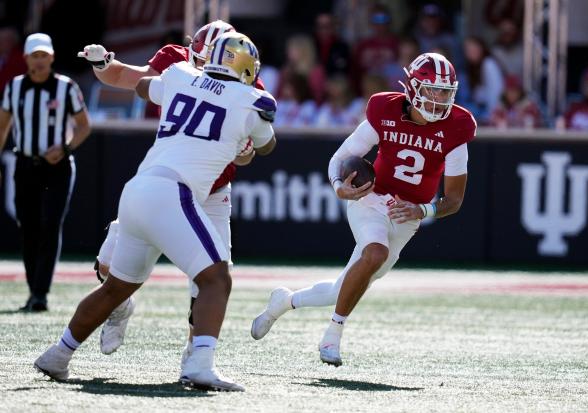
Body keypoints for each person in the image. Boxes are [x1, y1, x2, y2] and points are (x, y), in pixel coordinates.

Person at [34, 32, 277, 391]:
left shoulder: (179, 74)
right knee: (216, 279)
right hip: (174, 193)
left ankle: (58, 354)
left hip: (138, 190)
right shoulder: (252, 99)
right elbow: (268, 145)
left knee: (115, 288)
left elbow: (144, 87)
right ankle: (200, 364)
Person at [251, 52, 476, 367]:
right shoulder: (385, 109)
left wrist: (421, 210)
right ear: (412, 88)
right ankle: (333, 334)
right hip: (371, 197)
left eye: (446, 92)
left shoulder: (457, 127)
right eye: (433, 90)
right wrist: (338, 186)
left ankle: (283, 302)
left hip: (406, 215)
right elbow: (341, 158)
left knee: (341, 288)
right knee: (374, 253)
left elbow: (453, 200)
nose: (440, 99)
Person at [77, 20, 255, 363]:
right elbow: (126, 78)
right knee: (107, 264)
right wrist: (103, 64)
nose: (207, 71)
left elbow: (249, 151)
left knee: (211, 277)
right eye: (200, 62)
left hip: (212, 191)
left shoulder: (246, 84)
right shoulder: (176, 67)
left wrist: (245, 151)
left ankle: (196, 354)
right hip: (168, 183)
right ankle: (121, 304)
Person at [0, 33, 91, 312]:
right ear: (26, 58)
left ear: (51, 57)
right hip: (26, 165)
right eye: (34, 56)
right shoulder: (14, 88)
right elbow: (3, 126)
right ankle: (33, 290)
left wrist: (64, 148)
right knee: (28, 228)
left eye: (44, 55)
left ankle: (40, 293)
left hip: (57, 167)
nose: (39, 61)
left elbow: (83, 126)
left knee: (50, 225)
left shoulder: (66, 87)